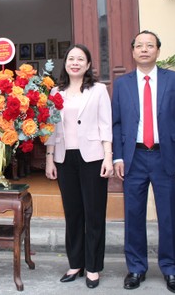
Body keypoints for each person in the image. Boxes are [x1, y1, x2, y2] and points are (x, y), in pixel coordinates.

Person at [112, 30, 175, 294]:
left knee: (169, 215)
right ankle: (136, 268)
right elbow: (117, 123)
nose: (144, 49)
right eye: (139, 46)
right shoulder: (122, 84)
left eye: (150, 45)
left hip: (165, 156)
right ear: (132, 51)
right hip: (133, 157)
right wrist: (119, 155)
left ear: (158, 50)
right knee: (133, 215)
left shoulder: (174, 80)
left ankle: (171, 270)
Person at [45, 44, 113, 289]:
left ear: (88, 64)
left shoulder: (98, 90)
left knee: (94, 214)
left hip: (93, 157)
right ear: (65, 63)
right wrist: (49, 157)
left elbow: (106, 124)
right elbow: (51, 127)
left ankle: (93, 266)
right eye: (71, 58)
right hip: (65, 158)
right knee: (73, 213)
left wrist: (108, 156)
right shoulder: (56, 91)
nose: (75, 62)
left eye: (80, 59)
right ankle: (76, 263)